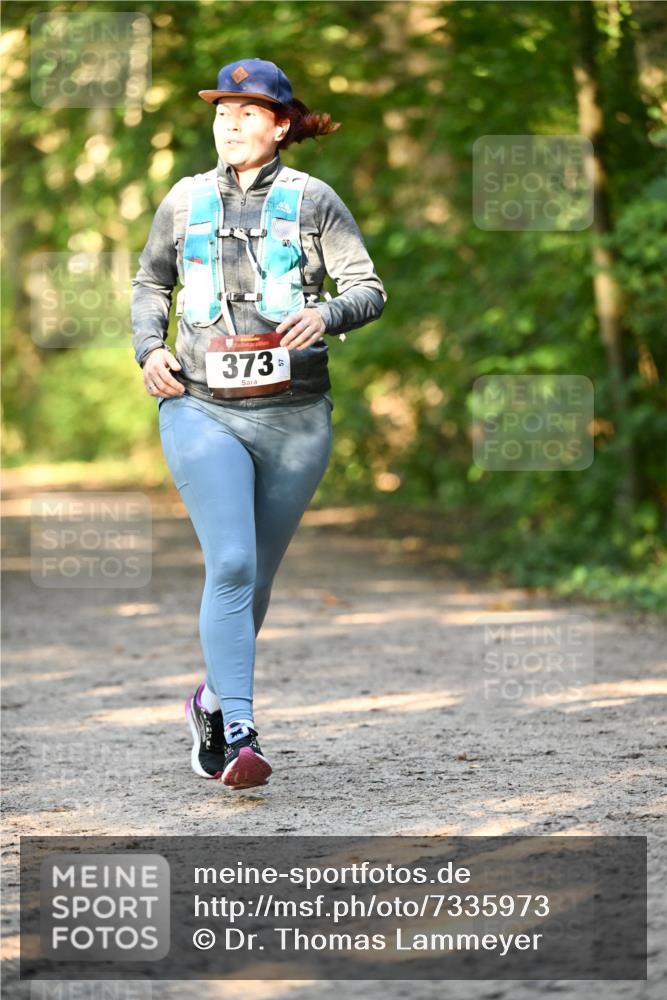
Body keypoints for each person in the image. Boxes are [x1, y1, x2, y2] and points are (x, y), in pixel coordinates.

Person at [131, 57, 386, 790]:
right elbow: (151, 280)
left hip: (296, 418)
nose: (231, 123)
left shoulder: (314, 201)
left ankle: (209, 701)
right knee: (233, 564)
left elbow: (368, 288)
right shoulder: (182, 201)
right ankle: (239, 731)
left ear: (279, 125)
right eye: (221, 111)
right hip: (200, 406)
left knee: (256, 578)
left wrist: (327, 312)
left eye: (247, 112)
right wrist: (150, 348)